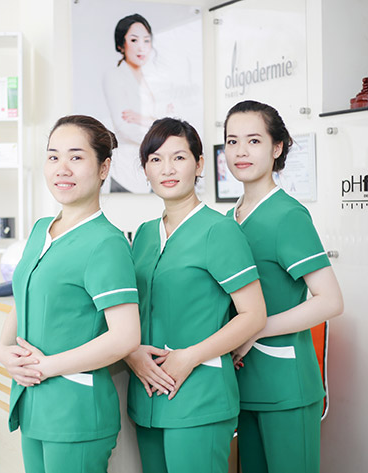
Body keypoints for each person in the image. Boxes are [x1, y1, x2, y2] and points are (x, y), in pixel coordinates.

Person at [0, 115, 141, 473]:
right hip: (34, 403)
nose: (62, 168)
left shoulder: (106, 243)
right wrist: (3, 350)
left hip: (75, 411)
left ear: (103, 167)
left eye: (76, 157)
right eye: (53, 157)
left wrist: (46, 366)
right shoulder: (40, 230)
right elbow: (24, 296)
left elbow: (125, 337)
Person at [125, 117, 267, 473]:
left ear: (199, 164)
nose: (167, 169)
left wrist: (188, 358)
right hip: (147, 396)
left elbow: (253, 315)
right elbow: (131, 312)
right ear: (145, 169)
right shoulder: (143, 235)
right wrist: (131, 353)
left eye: (179, 157)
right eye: (155, 159)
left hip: (199, 395)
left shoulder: (219, 231)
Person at [223, 100, 344, 473]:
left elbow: (330, 301)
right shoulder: (228, 219)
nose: (240, 151)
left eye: (254, 141)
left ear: (277, 148)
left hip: (285, 386)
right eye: (232, 141)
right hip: (242, 385)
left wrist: (254, 328)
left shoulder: (288, 216)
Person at [103, 13, 173, 193]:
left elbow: (173, 121)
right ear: (121, 44)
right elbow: (124, 128)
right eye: (134, 40)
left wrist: (143, 119)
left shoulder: (154, 79)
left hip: (156, 171)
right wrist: (163, 133)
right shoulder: (115, 76)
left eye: (146, 40)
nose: (141, 47)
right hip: (127, 173)